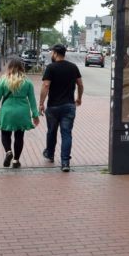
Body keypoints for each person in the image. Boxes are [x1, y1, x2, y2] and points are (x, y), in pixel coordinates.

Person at [0, 59, 40, 169]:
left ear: (9, 67)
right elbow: (32, 100)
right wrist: (35, 115)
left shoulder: (3, 81)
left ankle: (8, 151)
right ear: (22, 68)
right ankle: (16, 160)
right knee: (19, 136)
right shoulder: (28, 82)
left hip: (7, 112)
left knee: (5, 134)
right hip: (22, 112)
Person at [39, 44, 83, 172]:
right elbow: (80, 84)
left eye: (52, 52)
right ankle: (65, 162)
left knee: (51, 131)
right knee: (66, 133)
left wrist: (41, 103)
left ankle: (50, 153)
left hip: (53, 106)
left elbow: (46, 86)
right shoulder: (73, 67)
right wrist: (79, 97)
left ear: (55, 53)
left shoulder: (51, 68)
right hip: (69, 106)